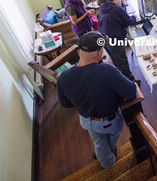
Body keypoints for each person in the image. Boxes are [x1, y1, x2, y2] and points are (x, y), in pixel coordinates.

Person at [56, 32, 136, 168]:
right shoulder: (107, 71)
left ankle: (104, 155)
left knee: (98, 141)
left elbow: (65, 103)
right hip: (108, 122)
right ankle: (107, 161)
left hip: (86, 120)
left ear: (79, 51)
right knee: (108, 139)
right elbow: (131, 91)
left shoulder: (63, 77)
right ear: (99, 52)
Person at [97, 0, 139, 84]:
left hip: (103, 38)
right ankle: (129, 80)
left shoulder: (102, 8)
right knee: (122, 60)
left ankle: (120, 76)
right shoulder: (117, 9)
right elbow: (128, 22)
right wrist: (134, 17)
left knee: (115, 59)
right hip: (115, 39)